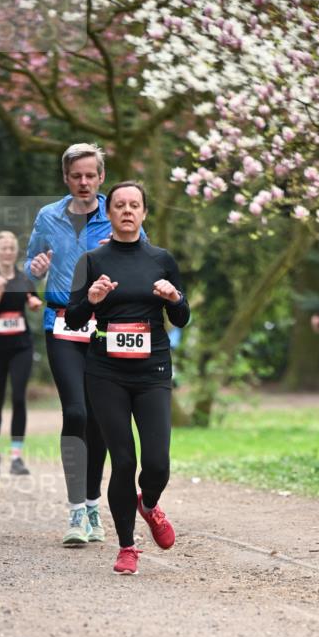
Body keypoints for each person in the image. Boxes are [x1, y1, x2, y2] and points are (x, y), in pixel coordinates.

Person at [65, 180, 190, 576]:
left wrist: (175, 299)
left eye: (135, 204)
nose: (127, 211)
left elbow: (183, 317)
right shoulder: (91, 261)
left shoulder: (162, 258)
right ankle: (127, 546)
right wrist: (92, 301)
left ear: (144, 213)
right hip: (106, 371)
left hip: (152, 368)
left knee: (157, 463)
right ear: (110, 212)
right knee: (122, 460)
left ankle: (149, 504)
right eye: (120, 204)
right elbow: (72, 317)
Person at [25, 142, 114, 546]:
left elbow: (140, 257)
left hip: (105, 326)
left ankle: (94, 505)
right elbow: (29, 266)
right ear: (66, 177)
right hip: (60, 321)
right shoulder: (48, 216)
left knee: (98, 419)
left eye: (89, 175)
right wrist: (35, 268)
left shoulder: (117, 214)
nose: (83, 182)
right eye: (75, 175)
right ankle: (76, 510)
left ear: (101, 178)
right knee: (76, 411)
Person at [0, 231, 42, 478]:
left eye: (12, 247)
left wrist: (34, 304)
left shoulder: (24, 279)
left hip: (21, 347)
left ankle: (16, 457)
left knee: (19, 398)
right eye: (3, 247)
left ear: (15, 252)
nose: (8, 251)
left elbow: (33, 302)